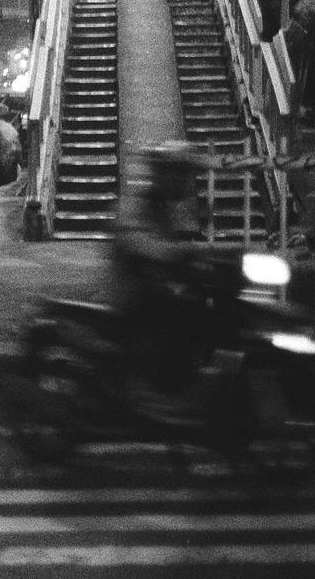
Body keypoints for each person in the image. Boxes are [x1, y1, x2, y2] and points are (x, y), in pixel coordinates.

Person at [108, 142, 210, 425]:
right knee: (182, 315)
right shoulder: (137, 203)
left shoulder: (166, 207)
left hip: (155, 288)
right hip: (132, 295)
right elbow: (133, 239)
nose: (187, 182)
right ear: (165, 174)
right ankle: (156, 394)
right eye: (181, 174)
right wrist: (171, 253)